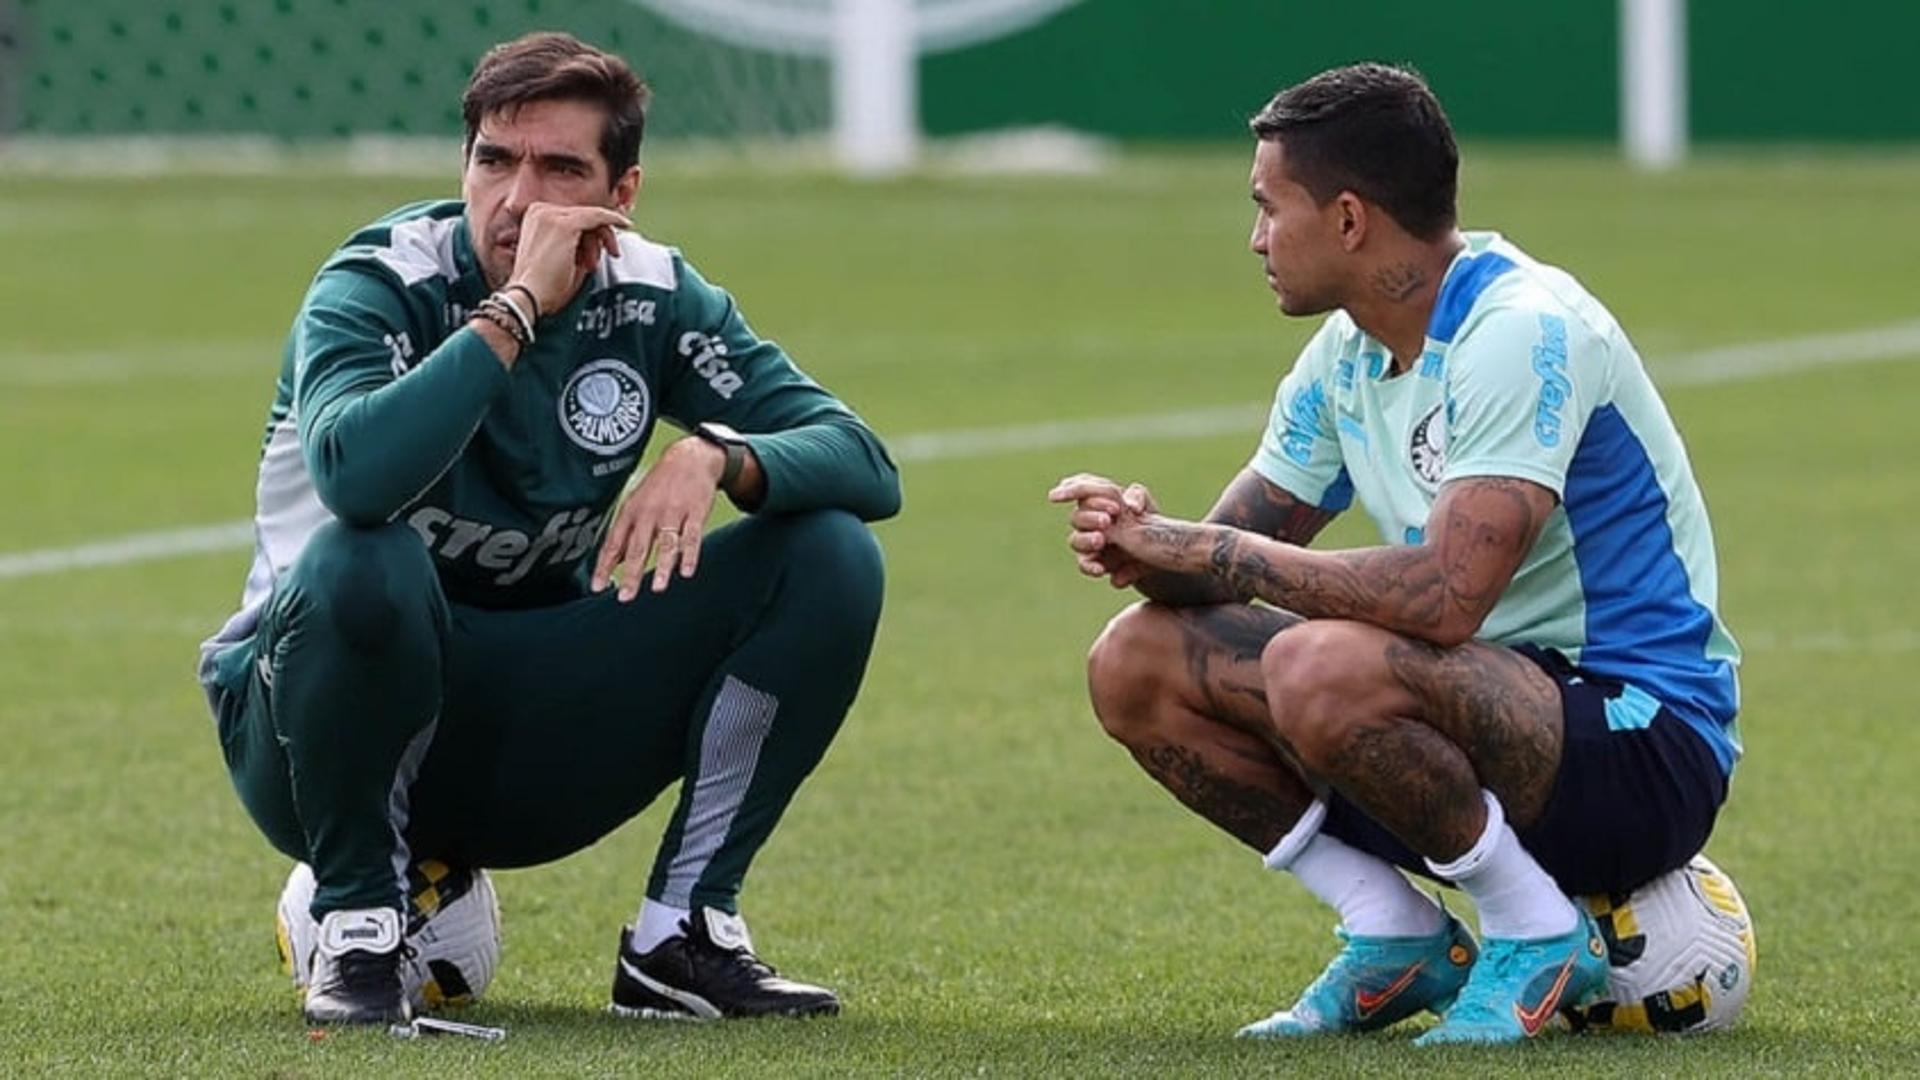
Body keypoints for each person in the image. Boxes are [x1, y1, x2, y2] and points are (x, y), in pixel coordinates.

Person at [196, 31, 899, 1026]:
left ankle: (683, 933)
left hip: (523, 727)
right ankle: (357, 931)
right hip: (304, 732)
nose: (520, 200)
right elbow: (356, 479)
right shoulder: (376, 282)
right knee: (367, 557)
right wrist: (518, 307)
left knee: (827, 553)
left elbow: (865, 462)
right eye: (494, 160)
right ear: (465, 166)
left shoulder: (654, 296)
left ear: (622, 195)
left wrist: (719, 455)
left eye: (561, 168)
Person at [1050, 63, 1739, 1046]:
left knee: (1317, 659)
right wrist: (1139, 540)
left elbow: (1445, 598)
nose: (1254, 238)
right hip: (1460, 720)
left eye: (1266, 208)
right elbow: (1222, 567)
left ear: (1346, 220)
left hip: (1639, 737)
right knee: (1139, 659)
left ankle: (1536, 929)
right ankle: (1396, 932)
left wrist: (1206, 549)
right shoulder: (1347, 355)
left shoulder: (1521, 330)